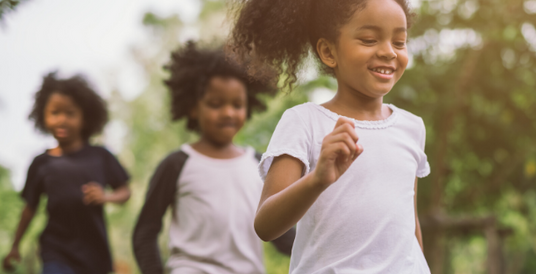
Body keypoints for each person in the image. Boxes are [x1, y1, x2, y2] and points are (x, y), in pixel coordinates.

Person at [228, 0, 431, 272]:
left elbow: (409, 223)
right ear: (328, 51)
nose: (388, 52)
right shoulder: (304, 122)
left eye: (399, 41)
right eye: (370, 39)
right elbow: (265, 225)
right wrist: (317, 180)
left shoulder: (412, 127)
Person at [132, 41, 294, 274]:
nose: (228, 112)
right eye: (215, 104)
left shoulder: (259, 165)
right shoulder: (176, 164)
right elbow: (145, 231)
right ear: (192, 107)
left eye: (237, 104)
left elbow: (281, 233)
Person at [2, 72, 131, 274]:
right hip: (56, 250)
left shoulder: (100, 156)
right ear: (43, 117)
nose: (62, 120)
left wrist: (106, 197)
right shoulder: (41, 164)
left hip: (95, 253)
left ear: (84, 118)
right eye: (55, 113)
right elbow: (29, 209)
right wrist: (15, 245)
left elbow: (125, 191)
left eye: (70, 113)